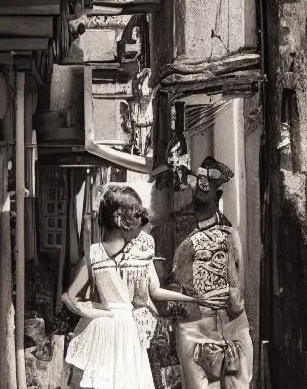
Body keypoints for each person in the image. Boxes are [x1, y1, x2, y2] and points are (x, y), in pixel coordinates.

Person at [61, 183, 224, 389]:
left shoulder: (119, 252)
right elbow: (71, 296)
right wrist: (97, 311)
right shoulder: (96, 254)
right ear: (121, 220)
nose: (141, 223)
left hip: (121, 328)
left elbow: (152, 291)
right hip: (117, 328)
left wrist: (192, 298)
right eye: (136, 216)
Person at [172, 156, 253, 389]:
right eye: (198, 183)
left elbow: (238, 288)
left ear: (218, 197)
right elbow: (166, 293)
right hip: (196, 331)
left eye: (208, 186)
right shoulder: (181, 239)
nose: (201, 188)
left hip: (232, 327)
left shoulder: (230, 235)